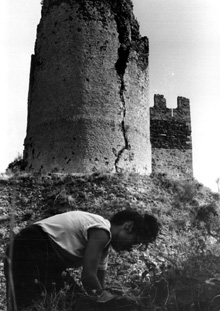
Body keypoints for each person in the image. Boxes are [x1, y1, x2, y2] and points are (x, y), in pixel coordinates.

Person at [4, 209, 160, 310]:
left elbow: (96, 288)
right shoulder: (102, 231)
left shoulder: (103, 247)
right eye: (134, 241)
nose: (130, 248)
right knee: (35, 304)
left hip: (41, 256)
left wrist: (104, 295)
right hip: (30, 247)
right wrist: (108, 298)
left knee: (69, 300)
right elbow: (88, 277)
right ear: (128, 226)